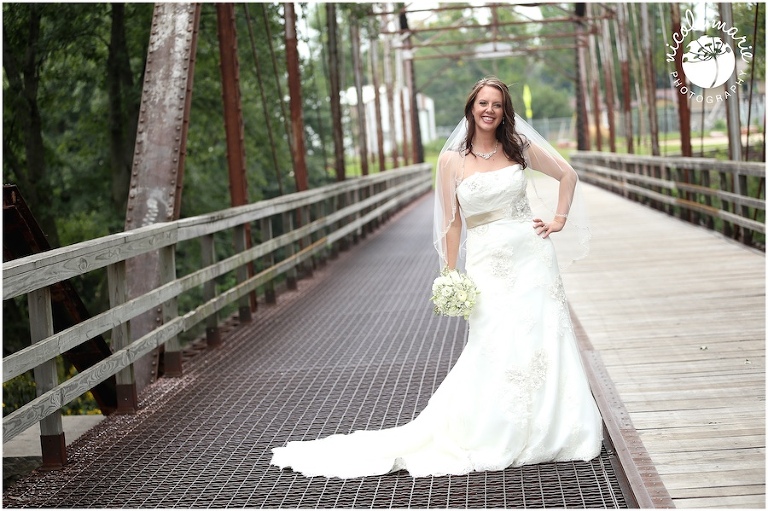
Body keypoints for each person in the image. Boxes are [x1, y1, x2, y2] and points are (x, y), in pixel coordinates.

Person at [271, 76, 602, 478]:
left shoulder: (519, 148)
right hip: (486, 261)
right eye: (483, 102)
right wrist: (450, 273)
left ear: (504, 111)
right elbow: (452, 223)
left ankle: (555, 427)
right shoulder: (451, 161)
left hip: (531, 255)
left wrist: (559, 220)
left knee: (545, 335)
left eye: (497, 104)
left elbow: (567, 174)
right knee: (493, 339)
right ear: (471, 107)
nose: (489, 110)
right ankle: (498, 427)